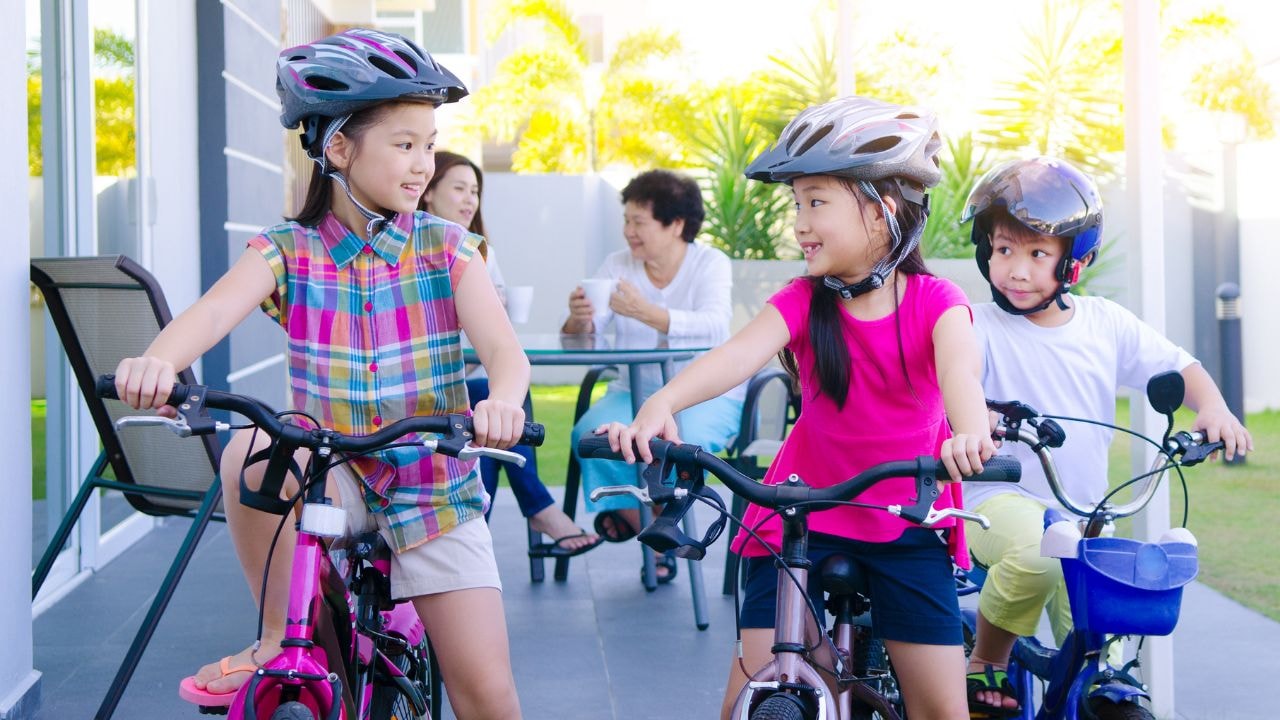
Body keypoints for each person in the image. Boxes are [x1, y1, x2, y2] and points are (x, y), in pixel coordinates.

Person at [111, 29, 526, 719]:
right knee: (251, 447)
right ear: (337, 147)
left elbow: (506, 355)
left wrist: (504, 401)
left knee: (486, 694)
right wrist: (160, 360)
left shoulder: (448, 248)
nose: (424, 163)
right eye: (404, 144)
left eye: (428, 143)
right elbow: (211, 314)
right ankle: (279, 638)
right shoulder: (288, 251)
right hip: (330, 477)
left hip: (432, 486)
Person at [603, 96, 996, 720]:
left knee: (942, 711)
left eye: (817, 201)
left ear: (883, 211)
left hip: (905, 519)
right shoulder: (804, 300)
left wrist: (970, 435)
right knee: (757, 697)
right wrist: (662, 402)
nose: (800, 223)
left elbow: (959, 374)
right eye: (797, 204)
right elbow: (736, 355)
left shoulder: (936, 301)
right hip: (798, 519)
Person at [960, 155, 1253, 717]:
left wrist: (1213, 406)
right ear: (985, 250)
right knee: (1036, 557)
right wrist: (976, 419)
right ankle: (984, 661)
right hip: (997, 501)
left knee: (1102, 634)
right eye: (1003, 250)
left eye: (1037, 254)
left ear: (1074, 263)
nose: (1016, 270)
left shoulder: (1104, 322)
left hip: (1084, 511)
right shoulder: (974, 325)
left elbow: (1177, 368)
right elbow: (956, 381)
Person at [562, 169, 744, 583]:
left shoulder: (709, 263)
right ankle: (650, 521)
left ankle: (651, 522)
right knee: (589, 435)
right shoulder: (617, 265)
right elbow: (586, 333)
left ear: (676, 224)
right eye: (626, 220)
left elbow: (716, 325)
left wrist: (648, 313)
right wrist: (578, 319)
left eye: (638, 222)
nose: (628, 231)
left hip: (705, 394)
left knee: (676, 446)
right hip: (635, 391)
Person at [422, 151, 602, 557]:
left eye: (475, 192)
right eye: (459, 189)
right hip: (430, 385)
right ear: (428, 193)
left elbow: (498, 343)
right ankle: (537, 509)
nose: (470, 200)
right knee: (493, 397)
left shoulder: (480, 252)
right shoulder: (413, 250)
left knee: (495, 398)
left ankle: (476, 541)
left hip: (470, 383)